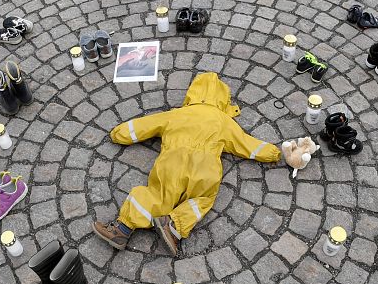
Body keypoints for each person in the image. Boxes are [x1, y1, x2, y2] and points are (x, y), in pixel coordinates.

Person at [93, 72, 281, 256]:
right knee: (202, 200)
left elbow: (143, 126)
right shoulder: (224, 121)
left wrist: (118, 133)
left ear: (192, 93)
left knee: (157, 194)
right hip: (205, 169)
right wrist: (275, 153)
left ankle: (122, 229)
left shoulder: (176, 114)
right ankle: (174, 226)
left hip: (172, 162)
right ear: (223, 100)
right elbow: (247, 144)